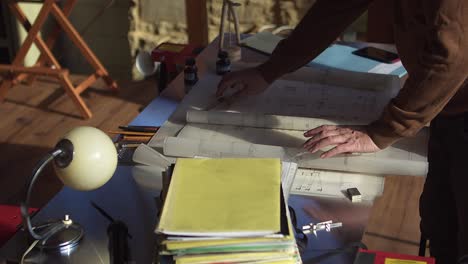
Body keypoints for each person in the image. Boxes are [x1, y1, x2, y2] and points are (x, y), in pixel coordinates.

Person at [216, 0, 468, 263]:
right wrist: (270, 70)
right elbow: (334, 9)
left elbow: (454, 54)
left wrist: (382, 131)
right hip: (448, 107)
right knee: (443, 228)